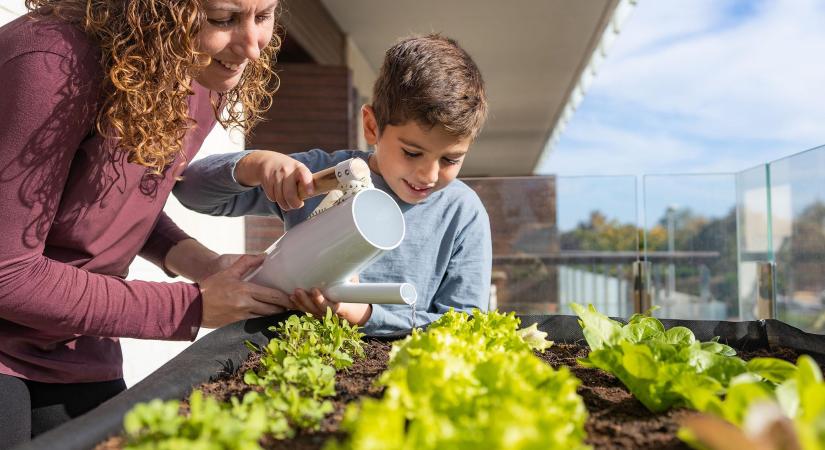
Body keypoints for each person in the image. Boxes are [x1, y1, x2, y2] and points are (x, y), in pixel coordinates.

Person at [0, 0, 291, 444]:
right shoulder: (51, 64)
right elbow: (9, 273)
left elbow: (110, 201)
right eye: (223, 19)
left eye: (264, 15)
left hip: (74, 345)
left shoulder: (194, 68)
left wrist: (207, 266)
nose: (252, 47)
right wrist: (190, 307)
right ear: (157, 10)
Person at [174, 33, 493, 335]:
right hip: (298, 362)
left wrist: (366, 315)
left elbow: (465, 325)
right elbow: (190, 191)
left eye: (450, 160)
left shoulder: (462, 213)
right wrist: (255, 165)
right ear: (371, 126)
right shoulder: (325, 174)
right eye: (412, 152)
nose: (429, 174)